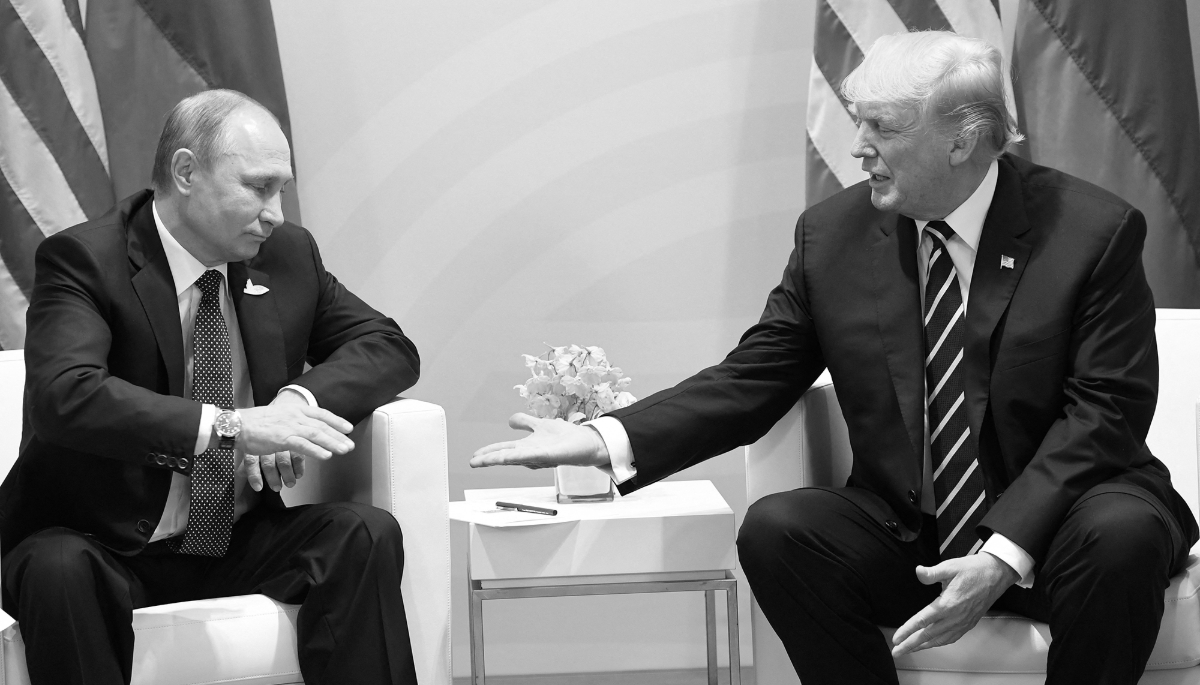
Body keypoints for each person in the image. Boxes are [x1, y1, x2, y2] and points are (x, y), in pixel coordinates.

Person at [470, 31, 1199, 684]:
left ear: (962, 140)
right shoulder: (834, 235)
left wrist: (1001, 553)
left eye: (882, 126)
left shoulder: (1093, 233)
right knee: (780, 530)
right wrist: (606, 437)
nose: (859, 147)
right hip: (913, 531)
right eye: (859, 122)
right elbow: (755, 376)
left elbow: (1104, 412)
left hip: (1067, 521)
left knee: (1122, 534)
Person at [0, 89, 421, 685]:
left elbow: (388, 347)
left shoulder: (287, 256)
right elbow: (64, 395)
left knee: (363, 534)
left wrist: (295, 404)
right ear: (186, 172)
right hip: (98, 541)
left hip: (231, 537)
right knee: (57, 568)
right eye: (258, 186)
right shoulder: (85, 259)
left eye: (283, 189)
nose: (276, 210)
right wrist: (233, 429)